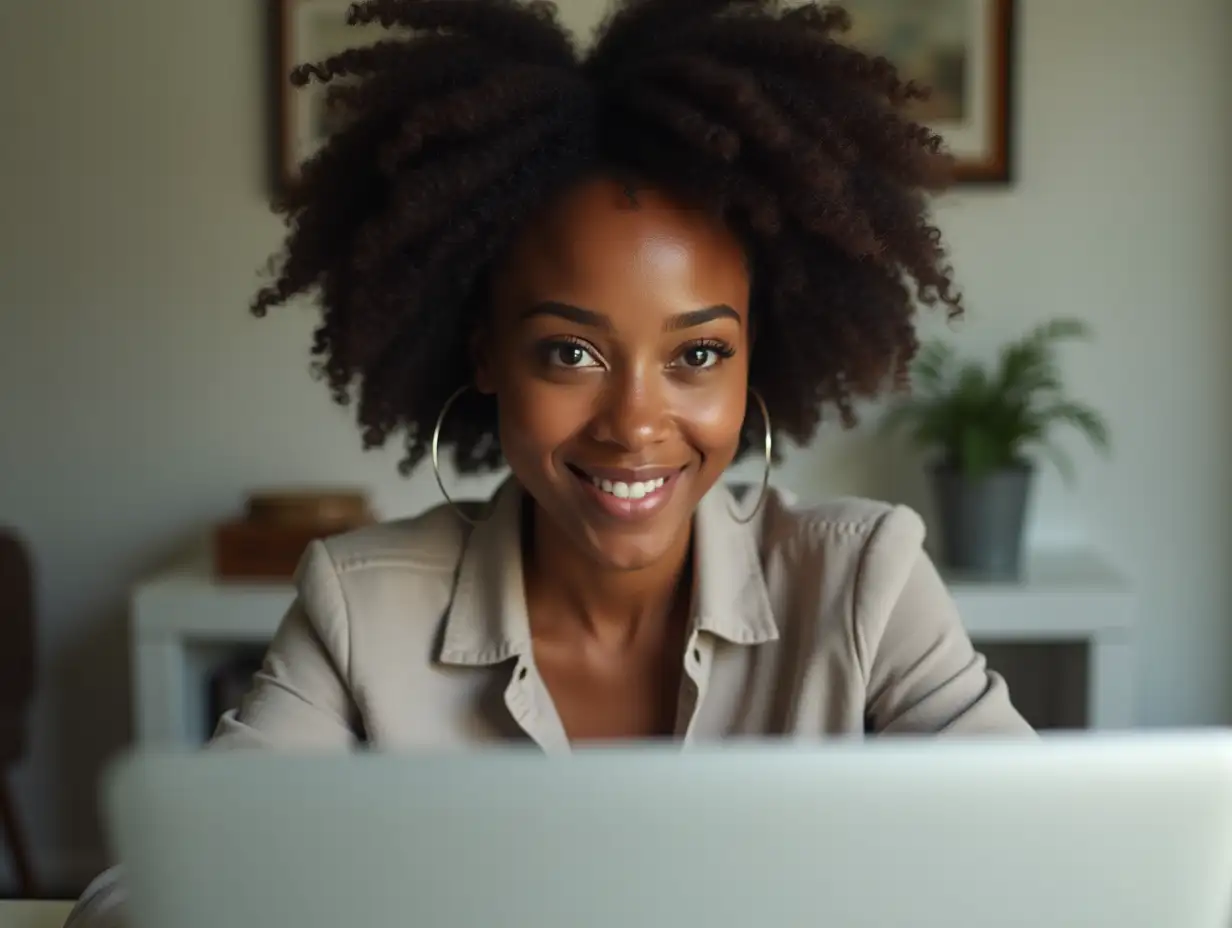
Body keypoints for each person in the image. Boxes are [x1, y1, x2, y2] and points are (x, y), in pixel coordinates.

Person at [68, 0, 1032, 923]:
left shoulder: (866, 580)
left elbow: (1045, 860)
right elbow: (136, 901)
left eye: (698, 355)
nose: (635, 423)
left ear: (753, 367)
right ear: (486, 353)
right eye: (571, 352)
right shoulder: (360, 610)